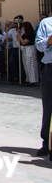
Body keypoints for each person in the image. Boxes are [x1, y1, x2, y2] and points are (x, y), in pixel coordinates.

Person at [34, 14, 52, 162]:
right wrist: (49, 41)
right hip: (50, 68)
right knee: (49, 107)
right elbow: (39, 45)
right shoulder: (46, 23)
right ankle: (47, 143)